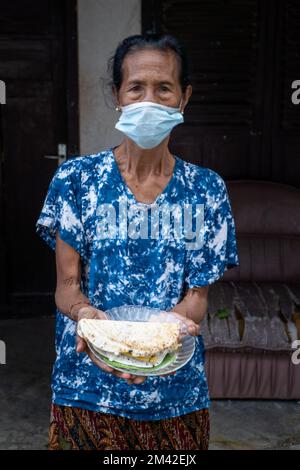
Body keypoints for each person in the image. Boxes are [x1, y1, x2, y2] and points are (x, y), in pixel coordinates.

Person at [36, 34, 239, 450]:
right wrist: (86, 316)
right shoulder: (76, 182)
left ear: (183, 98)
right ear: (117, 95)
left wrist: (171, 325)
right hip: (86, 387)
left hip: (174, 392)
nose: (149, 100)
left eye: (163, 88)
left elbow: (197, 297)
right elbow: (67, 289)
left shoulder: (206, 189)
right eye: (136, 87)